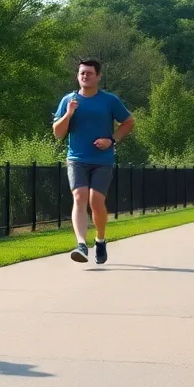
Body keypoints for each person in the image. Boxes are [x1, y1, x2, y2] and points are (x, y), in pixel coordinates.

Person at [52, 58, 134, 264]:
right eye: (82, 73)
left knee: (96, 202)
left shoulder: (109, 100)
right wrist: (69, 114)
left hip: (102, 160)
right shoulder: (68, 101)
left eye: (89, 73)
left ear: (98, 76)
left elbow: (128, 122)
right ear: (77, 76)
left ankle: (100, 239)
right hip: (76, 158)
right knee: (79, 197)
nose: (85, 76)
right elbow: (58, 133)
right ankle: (81, 244)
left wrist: (112, 140)